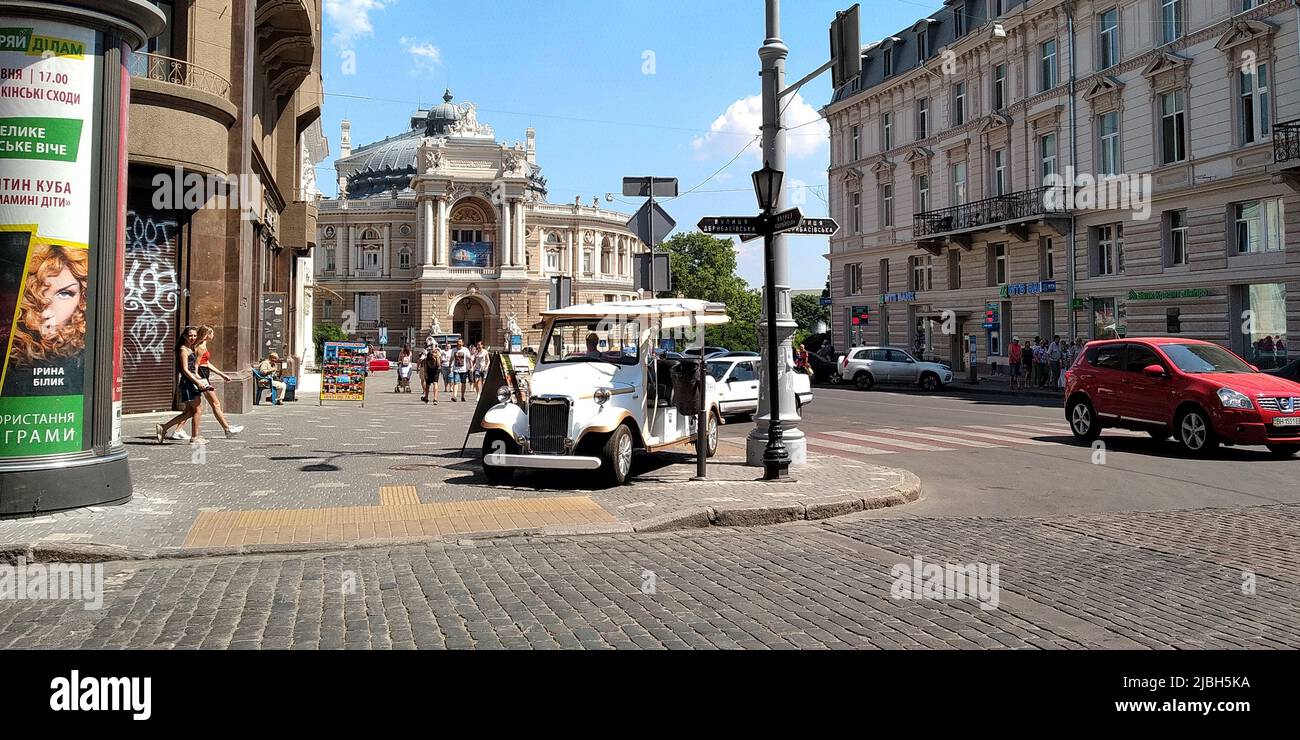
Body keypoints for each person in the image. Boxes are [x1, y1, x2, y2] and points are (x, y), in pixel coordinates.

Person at [2, 243, 88, 397]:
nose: (48, 309)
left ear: (82, 300)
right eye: (39, 292)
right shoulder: (6, 347)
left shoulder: (86, 350)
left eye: (65, 293)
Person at [179, 325, 243, 439]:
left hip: (202, 375)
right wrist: (199, 379)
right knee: (215, 404)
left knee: (190, 409)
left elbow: (207, 363)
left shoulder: (198, 345)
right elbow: (196, 365)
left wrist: (221, 374)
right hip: (202, 376)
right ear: (207, 335)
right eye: (212, 333)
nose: (213, 336)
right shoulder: (201, 347)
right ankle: (227, 429)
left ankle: (177, 430)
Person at [156, 326, 208, 444]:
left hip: (191, 381)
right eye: (190, 335)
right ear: (185, 336)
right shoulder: (183, 349)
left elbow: (191, 367)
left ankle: (163, 427)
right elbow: (184, 369)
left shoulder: (190, 348)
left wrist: (198, 377)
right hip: (188, 383)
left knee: (189, 412)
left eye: (194, 335)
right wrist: (197, 381)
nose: (193, 338)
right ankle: (195, 437)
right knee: (197, 410)